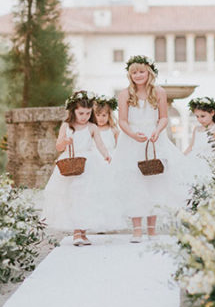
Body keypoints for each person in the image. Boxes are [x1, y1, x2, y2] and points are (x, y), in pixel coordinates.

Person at [112, 55, 191, 242]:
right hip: (132, 140)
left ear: (149, 72)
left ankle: (152, 229)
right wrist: (132, 134)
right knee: (134, 183)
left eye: (141, 71)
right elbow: (121, 120)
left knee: (155, 181)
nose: (138, 75)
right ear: (129, 75)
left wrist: (157, 130)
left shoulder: (159, 92)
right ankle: (137, 230)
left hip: (154, 138)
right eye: (134, 72)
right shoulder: (124, 94)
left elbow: (164, 117)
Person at [42, 91, 113, 246]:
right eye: (81, 113)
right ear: (73, 111)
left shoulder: (92, 127)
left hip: (88, 164)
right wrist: (65, 141)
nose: (84, 117)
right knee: (72, 196)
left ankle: (83, 232)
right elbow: (58, 145)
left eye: (88, 113)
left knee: (86, 197)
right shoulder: (67, 126)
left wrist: (106, 155)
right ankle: (76, 232)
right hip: (71, 162)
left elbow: (99, 143)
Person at [184, 97, 215, 184]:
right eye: (197, 116)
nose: (200, 119)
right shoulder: (196, 129)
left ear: (212, 112)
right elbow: (191, 146)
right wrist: (181, 157)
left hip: (209, 163)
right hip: (194, 162)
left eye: (203, 116)